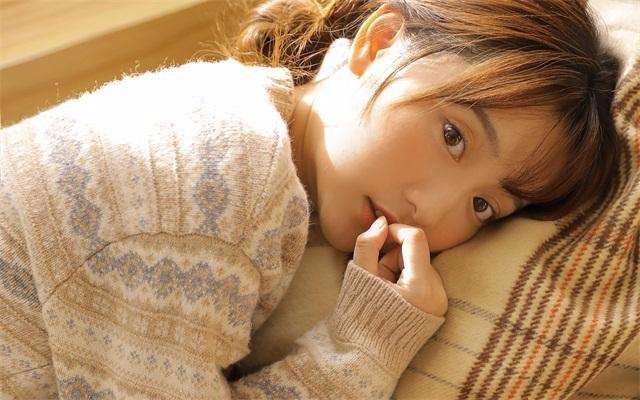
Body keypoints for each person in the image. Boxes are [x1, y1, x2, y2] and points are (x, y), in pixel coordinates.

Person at [0, 0, 620, 399]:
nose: (432, 213)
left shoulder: (243, 129)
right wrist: (365, 346)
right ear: (380, 44)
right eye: (453, 136)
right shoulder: (217, 172)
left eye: (484, 207)